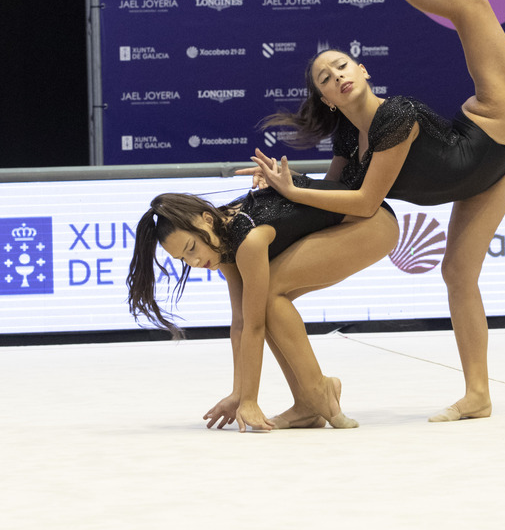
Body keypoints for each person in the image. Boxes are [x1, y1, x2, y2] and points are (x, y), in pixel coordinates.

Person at [243, 0, 505, 423]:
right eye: (326, 78)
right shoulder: (347, 137)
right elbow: (333, 199)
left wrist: (294, 189)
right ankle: (478, 395)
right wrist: (287, 183)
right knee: (457, 273)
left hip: (491, 133)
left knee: (470, 4)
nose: (337, 75)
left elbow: (366, 203)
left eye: (342, 65)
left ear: (363, 69)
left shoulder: (395, 116)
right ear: (327, 99)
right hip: (475, 180)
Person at [127, 180, 397, 432]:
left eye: (191, 248)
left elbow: (254, 327)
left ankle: (318, 391)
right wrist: (238, 394)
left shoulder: (249, 239)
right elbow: (241, 322)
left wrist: (250, 400)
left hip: (373, 224)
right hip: (349, 226)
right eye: (183, 258)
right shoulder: (221, 241)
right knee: (258, 302)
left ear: (207, 220)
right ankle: (307, 405)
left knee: (264, 297)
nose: (194, 262)